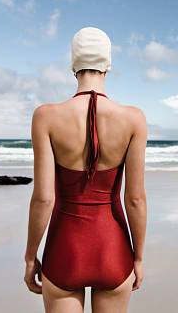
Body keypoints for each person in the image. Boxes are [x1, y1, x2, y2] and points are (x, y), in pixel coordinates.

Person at [24, 27, 147, 313]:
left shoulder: (46, 117)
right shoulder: (134, 119)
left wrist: (31, 257)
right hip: (113, 248)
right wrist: (137, 258)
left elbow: (43, 198)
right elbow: (135, 200)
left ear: (73, 65)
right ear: (108, 64)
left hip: (64, 248)